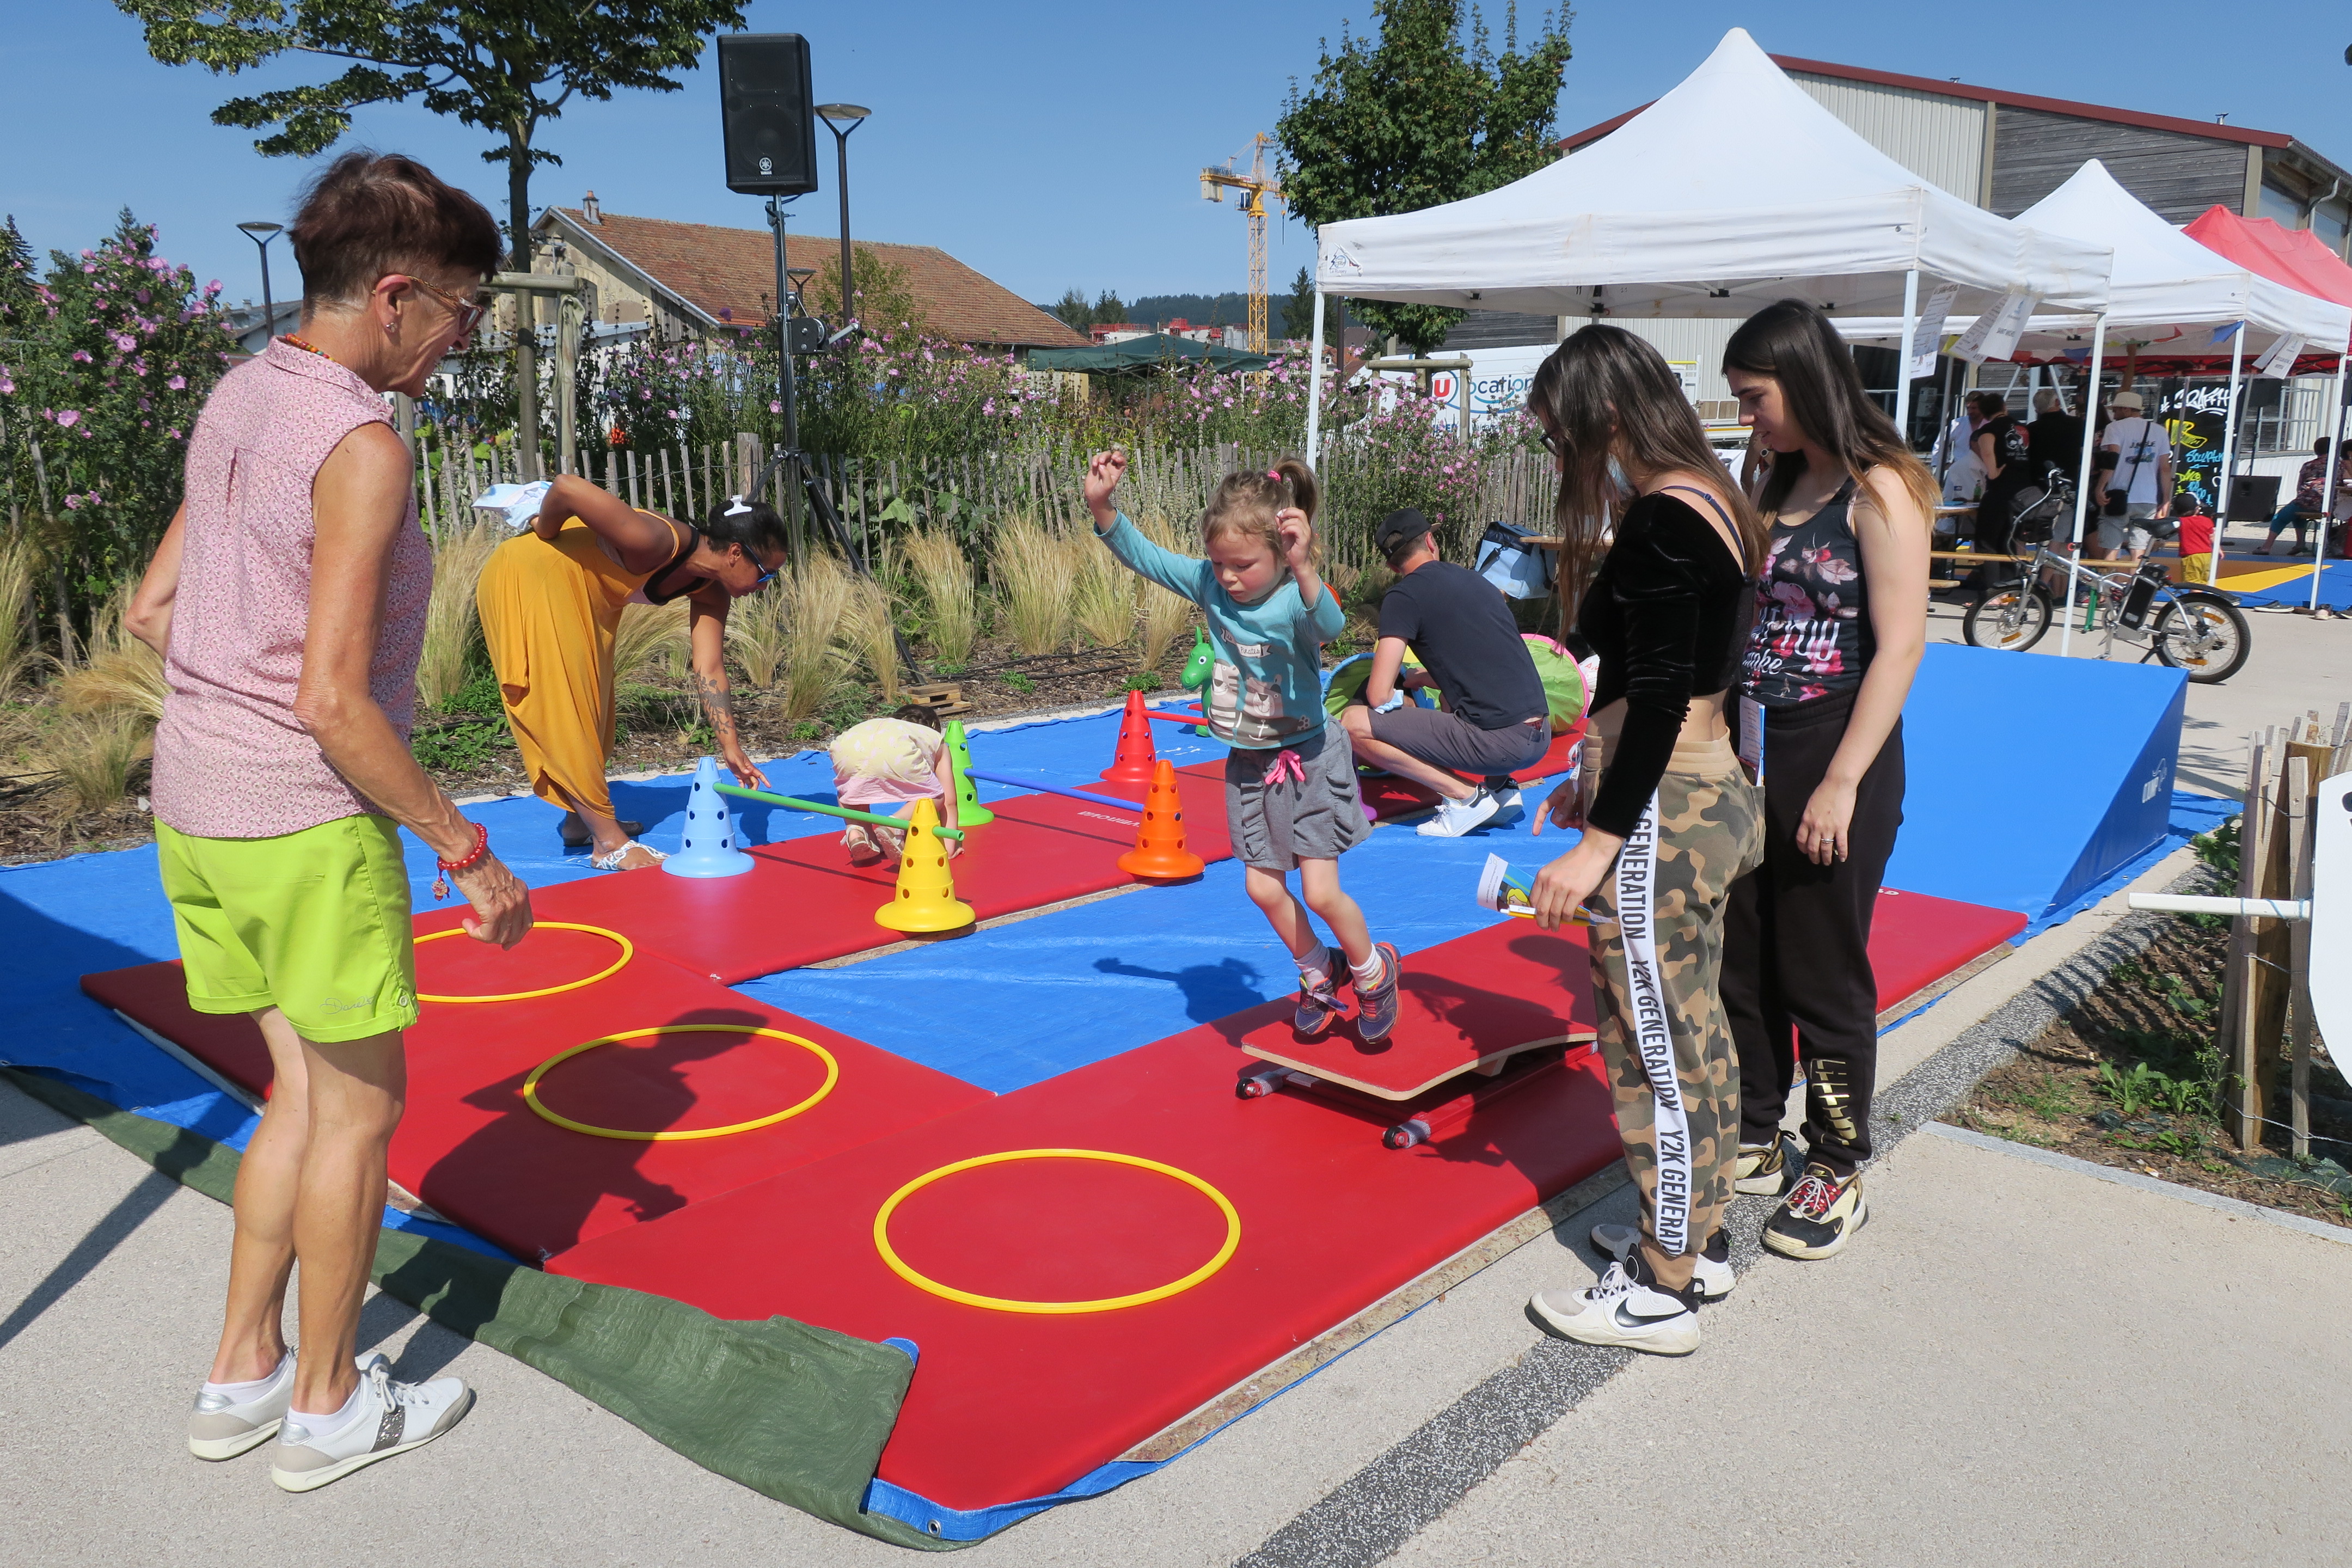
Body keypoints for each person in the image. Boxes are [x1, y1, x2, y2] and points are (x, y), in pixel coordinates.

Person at [124, 151, 532, 1491]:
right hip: (306, 820)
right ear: (397, 293)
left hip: (195, 803)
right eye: (464, 308)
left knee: (296, 1095)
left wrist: (231, 692)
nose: (464, 336)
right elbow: (336, 704)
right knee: (357, 1117)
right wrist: (464, 845)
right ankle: (329, 1401)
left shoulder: (239, 393)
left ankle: (239, 1372)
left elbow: (152, 611)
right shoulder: (360, 442)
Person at [1518, 324, 1767, 1357]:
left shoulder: (1666, 519)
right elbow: (1666, 675)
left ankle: (1662, 1288)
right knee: (1691, 1029)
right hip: (1688, 792)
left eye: (1561, 439)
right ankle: (1694, 1235)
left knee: (1650, 1044)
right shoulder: (1712, 497)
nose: (1563, 460)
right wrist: (1596, 789)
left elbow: (1661, 691)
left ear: (1603, 418)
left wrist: (1599, 841)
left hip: (1667, 805)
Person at [1718, 299, 1933, 1261]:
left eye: (1755, 398)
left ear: (1804, 382)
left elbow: (1900, 648)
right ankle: (1759, 1130)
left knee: (1820, 966)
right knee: (1744, 956)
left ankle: (1838, 1162)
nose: (1748, 418)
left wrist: (1842, 781)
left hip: (1834, 750)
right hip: (1754, 747)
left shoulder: (1879, 489)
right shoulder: (1770, 482)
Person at [1083, 451, 1404, 1043]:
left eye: (1243, 565)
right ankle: (1317, 971)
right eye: (1219, 563)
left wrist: (1306, 568)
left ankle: (1373, 973)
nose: (1228, 576)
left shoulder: (1293, 599)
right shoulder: (1210, 584)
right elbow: (1147, 558)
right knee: (1261, 887)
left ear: (1281, 555)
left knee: (1322, 891)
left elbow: (1331, 625)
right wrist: (1104, 506)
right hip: (1249, 764)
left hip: (1309, 759)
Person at [476, 480, 788, 869]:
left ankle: (580, 822)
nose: (764, 587)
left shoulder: (712, 588)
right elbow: (569, 488)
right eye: (766, 575)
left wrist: (731, 746)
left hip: (583, 597)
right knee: (563, 707)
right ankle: (608, 842)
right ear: (737, 553)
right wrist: (543, 526)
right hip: (532, 577)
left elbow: (708, 667)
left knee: (598, 713)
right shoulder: (657, 540)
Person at [1337, 506, 1551, 838]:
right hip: (1539, 736)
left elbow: (1378, 694)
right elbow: (1483, 664)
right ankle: (1501, 789)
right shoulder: (1479, 583)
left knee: (1352, 724)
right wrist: (1423, 678)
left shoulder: (1404, 596)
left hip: (1500, 744)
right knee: (1456, 699)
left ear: (1393, 566)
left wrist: (1401, 702)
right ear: (1431, 541)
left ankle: (1465, 798)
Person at [829, 707, 960, 863]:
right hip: (896, 751)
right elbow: (949, 802)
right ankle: (894, 825)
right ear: (934, 727)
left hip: (847, 746)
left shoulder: (886, 726)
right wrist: (950, 846)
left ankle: (856, 832)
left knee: (851, 793)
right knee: (936, 796)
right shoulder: (935, 739)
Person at [2093, 390, 2172, 561]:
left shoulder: (2114, 428)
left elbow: (2112, 459)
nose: (2113, 415)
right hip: (2148, 498)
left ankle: (2109, 586)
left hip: (2118, 495)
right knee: (2139, 550)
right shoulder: (2159, 431)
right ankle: (2134, 587)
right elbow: (2165, 469)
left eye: (2116, 410)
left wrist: (2100, 488)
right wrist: (2166, 499)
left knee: (2111, 548)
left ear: (2127, 409)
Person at [1969, 390, 2035, 569]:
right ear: (2004, 408)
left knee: (1988, 544)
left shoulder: (1988, 431)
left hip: (2000, 492)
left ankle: (1993, 593)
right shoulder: (2022, 428)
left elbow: (1989, 453)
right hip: (2024, 491)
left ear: (1984, 412)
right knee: (2011, 543)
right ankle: (2009, 591)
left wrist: (1993, 472)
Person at [2258, 438, 2335, 556]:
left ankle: (2266, 547)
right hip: (2331, 504)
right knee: (2298, 515)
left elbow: (2300, 486)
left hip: (2309, 501)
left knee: (2281, 517)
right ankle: (2300, 544)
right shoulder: (2339, 466)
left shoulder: (2309, 465)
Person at [2026, 387, 2087, 486]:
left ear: (2037, 410)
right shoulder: (2078, 424)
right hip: (2071, 481)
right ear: (2057, 402)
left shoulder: (2030, 429)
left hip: (2039, 485)